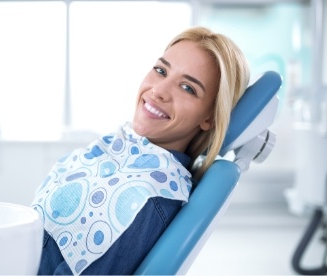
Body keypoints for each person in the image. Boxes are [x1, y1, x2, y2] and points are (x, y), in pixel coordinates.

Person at [32, 26, 250, 275]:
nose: (158, 91)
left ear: (209, 118)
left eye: (187, 88)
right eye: (161, 71)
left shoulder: (144, 198)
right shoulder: (118, 149)